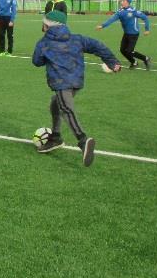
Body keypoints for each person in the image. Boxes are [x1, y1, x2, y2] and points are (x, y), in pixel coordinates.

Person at [32, 9, 121, 166]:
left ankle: (82, 140)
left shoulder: (44, 43)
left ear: (46, 26)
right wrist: (112, 62)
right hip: (77, 82)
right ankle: (56, 137)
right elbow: (98, 46)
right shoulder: (77, 39)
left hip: (61, 83)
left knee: (67, 109)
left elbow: (37, 61)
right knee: (56, 104)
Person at [96, 0, 151, 70]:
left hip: (134, 34)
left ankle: (146, 58)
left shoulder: (133, 11)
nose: (121, 2)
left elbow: (145, 18)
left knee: (129, 51)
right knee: (122, 50)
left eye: (123, 0)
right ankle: (134, 62)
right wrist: (102, 26)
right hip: (126, 34)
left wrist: (147, 29)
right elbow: (111, 19)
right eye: (121, 0)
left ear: (128, 2)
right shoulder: (120, 12)